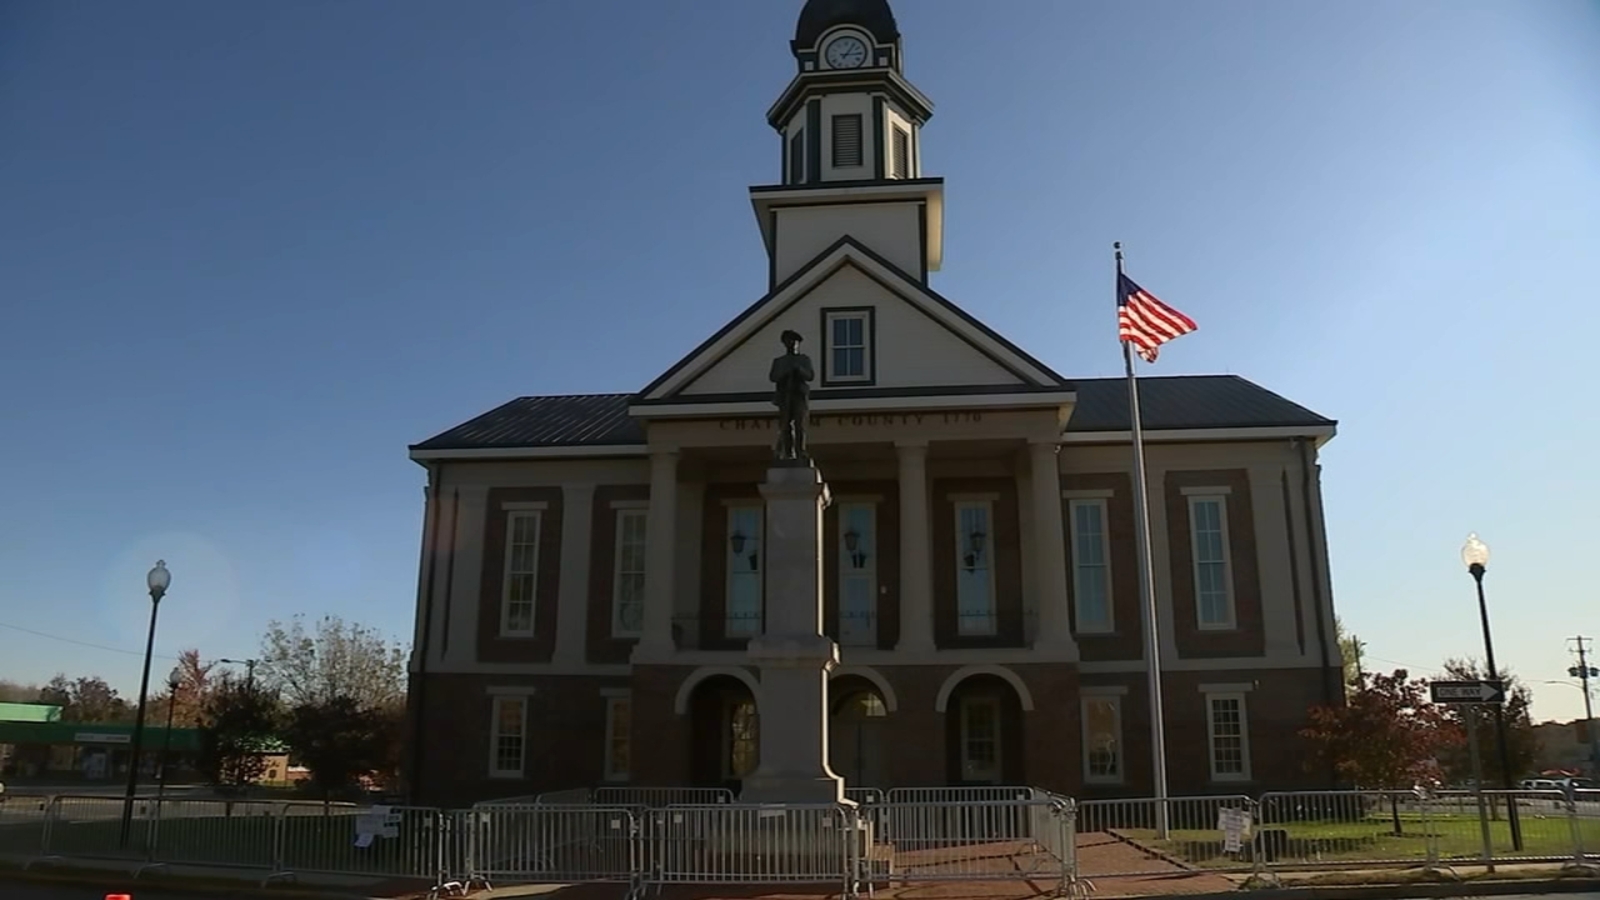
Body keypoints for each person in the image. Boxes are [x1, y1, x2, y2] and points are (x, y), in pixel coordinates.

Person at [768, 329, 814, 462]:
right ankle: (788, 452)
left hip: (799, 395)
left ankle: (801, 451)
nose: (792, 343)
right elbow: (773, 377)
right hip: (784, 395)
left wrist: (798, 370)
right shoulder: (779, 361)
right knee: (785, 425)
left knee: (800, 425)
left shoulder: (804, 359)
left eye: (795, 341)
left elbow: (810, 376)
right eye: (789, 341)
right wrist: (786, 373)